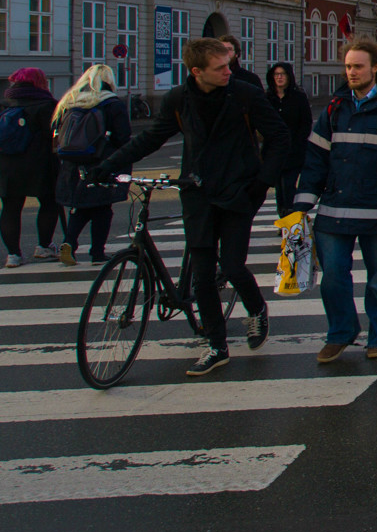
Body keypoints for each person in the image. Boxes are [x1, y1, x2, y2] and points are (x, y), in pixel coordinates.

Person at [89, 38, 288, 376]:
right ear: (197, 72)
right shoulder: (179, 100)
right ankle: (216, 346)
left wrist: (261, 183)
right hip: (197, 192)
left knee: (233, 265)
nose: (229, 70)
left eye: (228, 64)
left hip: (239, 190)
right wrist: (108, 164)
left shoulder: (244, 94)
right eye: (221, 67)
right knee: (202, 275)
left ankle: (256, 309)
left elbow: (280, 138)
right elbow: (150, 138)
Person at [295, 40, 377, 362]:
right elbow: (315, 158)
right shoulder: (335, 108)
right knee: (333, 279)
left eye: (358, 67)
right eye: (348, 66)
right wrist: (303, 202)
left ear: (375, 68)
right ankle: (340, 332)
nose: (351, 72)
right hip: (335, 208)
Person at [53, 64, 132, 266]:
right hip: (102, 162)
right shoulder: (112, 103)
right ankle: (97, 252)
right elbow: (123, 137)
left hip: (72, 162)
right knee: (103, 208)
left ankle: (69, 242)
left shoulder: (70, 101)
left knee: (81, 206)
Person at [0, 68, 62, 267]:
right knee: (49, 203)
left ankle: (13, 255)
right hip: (40, 164)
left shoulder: (4, 104)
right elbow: (55, 137)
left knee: (10, 208)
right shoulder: (47, 104)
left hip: (6, 164)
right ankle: (44, 247)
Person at [265, 62, 312, 214]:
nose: (279, 77)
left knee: (289, 185)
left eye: (282, 74)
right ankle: (283, 218)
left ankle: (292, 220)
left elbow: (306, 123)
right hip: (274, 151)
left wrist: (298, 143)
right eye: (276, 74)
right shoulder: (268, 97)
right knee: (279, 188)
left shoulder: (298, 97)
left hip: (294, 150)